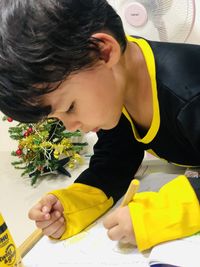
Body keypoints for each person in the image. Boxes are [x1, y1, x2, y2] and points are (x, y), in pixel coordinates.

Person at [0, 0, 200, 252]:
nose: (71, 126)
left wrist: (162, 213)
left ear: (103, 52)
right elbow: (116, 160)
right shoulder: (117, 93)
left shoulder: (190, 91)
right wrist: (71, 206)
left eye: (71, 107)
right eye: (57, 119)